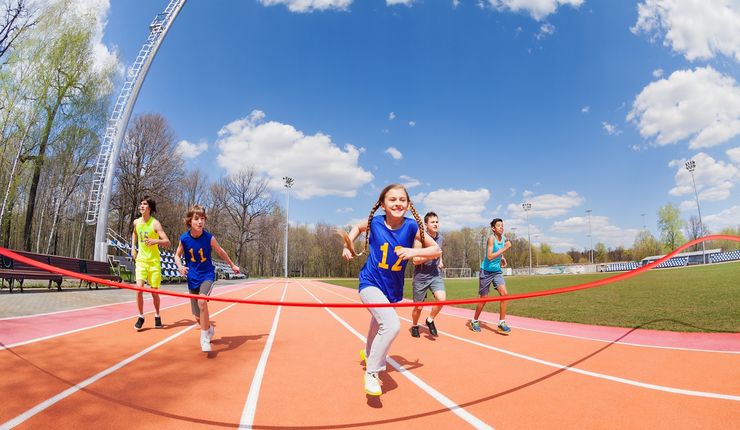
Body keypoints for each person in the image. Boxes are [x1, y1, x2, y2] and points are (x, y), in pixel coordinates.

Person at [340, 184, 441, 396]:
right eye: (392, 199)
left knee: (378, 323)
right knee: (391, 324)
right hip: (370, 282)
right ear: (383, 205)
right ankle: (372, 371)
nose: (397, 203)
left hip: (392, 288)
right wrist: (347, 246)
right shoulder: (375, 222)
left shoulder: (412, 227)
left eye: (402, 200)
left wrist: (412, 252)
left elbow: (436, 249)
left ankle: (369, 353)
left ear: (408, 204)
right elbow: (357, 228)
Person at [175, 204, 240, 353]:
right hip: (192, 277)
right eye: (197, 219)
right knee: (198, 316)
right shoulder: (184, 238)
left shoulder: (209, 238)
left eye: (202, 219)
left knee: (202, 301)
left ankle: (204, 338)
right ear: (189, 221)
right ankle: (209, 328)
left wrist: (232, 265)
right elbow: (177, 255)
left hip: (207, 275)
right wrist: (179, 265)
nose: (200, 222)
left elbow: (221, 251)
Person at [131, 196, 171, 331]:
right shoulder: (136, 222)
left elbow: (167, 242)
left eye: (145, 204)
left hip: (154, 262)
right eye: (140, 204)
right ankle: (141, 316)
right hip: (141, 260)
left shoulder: (155, 224)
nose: (141, 206)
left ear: (150, 208)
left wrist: (155, 241)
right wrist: (133, 248)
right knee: (139, 290)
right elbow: (134, 234)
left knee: (154, 293)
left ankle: (157, 315)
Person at [470, 218, 512, 334]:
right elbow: (489, 256)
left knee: (504, 295)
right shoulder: (491, 238)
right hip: (486, 271)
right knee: (484, 299)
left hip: (497, 271)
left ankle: (501, 322)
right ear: (493, 228)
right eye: (499, 226)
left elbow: (498, 252)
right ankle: (474, 320)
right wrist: (505, 248)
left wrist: (502, 258)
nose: (501, 227)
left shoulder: (503, 239)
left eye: (502, 225)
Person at [410, 211, 446, 338]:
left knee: (441, 299)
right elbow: (415, 260)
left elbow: (439, 251)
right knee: (418, 308)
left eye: (437, 221)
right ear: (426, 224)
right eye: (432, 222)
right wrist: (432, 255)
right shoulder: (420, 238)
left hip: (435, 274)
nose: (436, 224)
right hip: (421, 277)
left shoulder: (440, 238)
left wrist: (440, 260)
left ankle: (430, 320)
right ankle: (414, 325)